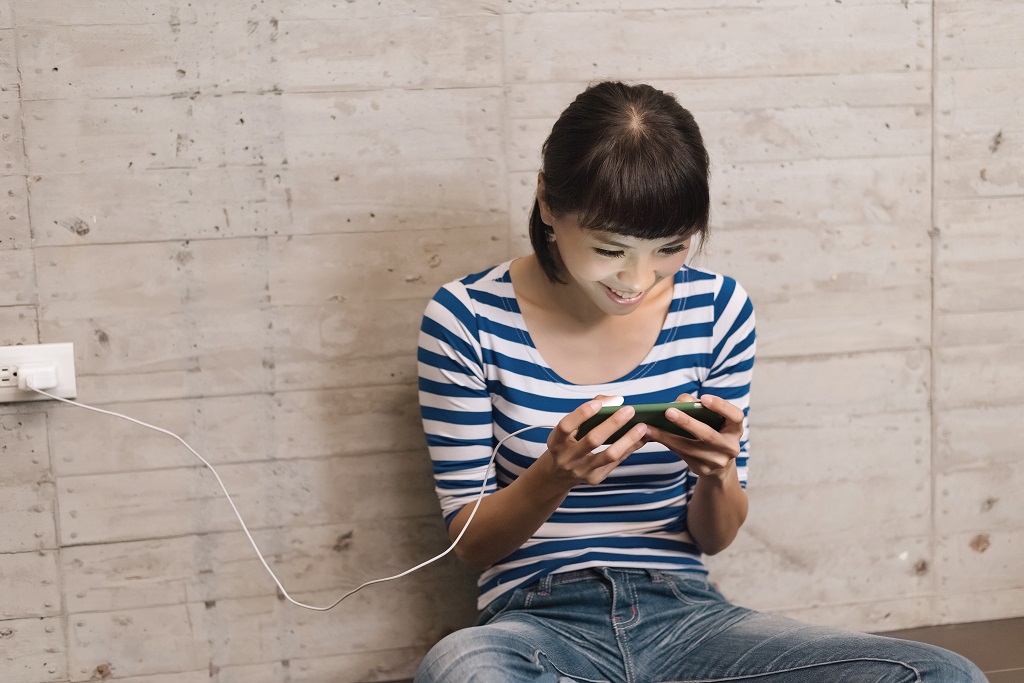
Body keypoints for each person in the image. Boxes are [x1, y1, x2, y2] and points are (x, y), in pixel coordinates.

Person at [414, 81, 985, 682]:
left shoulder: (716, 309)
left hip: (686, 620)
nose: (637, 279)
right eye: (611, 249)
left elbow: (713, 538)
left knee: (942, 674)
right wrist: (551, 477)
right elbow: (471, 545)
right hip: (533, 626)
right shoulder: (466, 318)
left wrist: (716, 468)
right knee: (460, 668)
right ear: (548, 205)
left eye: (670, 248)